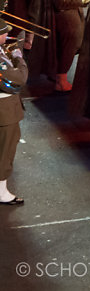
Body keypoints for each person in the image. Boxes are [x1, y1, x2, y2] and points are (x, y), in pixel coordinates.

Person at [29, 0, 86, 93]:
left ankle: (58, 75)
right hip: (67, 20)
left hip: (63, 19)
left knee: (64, 47)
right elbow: (61, 2)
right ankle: (61, 80)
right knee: (69, 47)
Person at [0, 19, 28, 205]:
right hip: (5, 111)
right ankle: (1, 192)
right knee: (5, 151)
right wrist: (19, 58)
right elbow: (19, 78)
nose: (6, 35)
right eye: (3, 33)